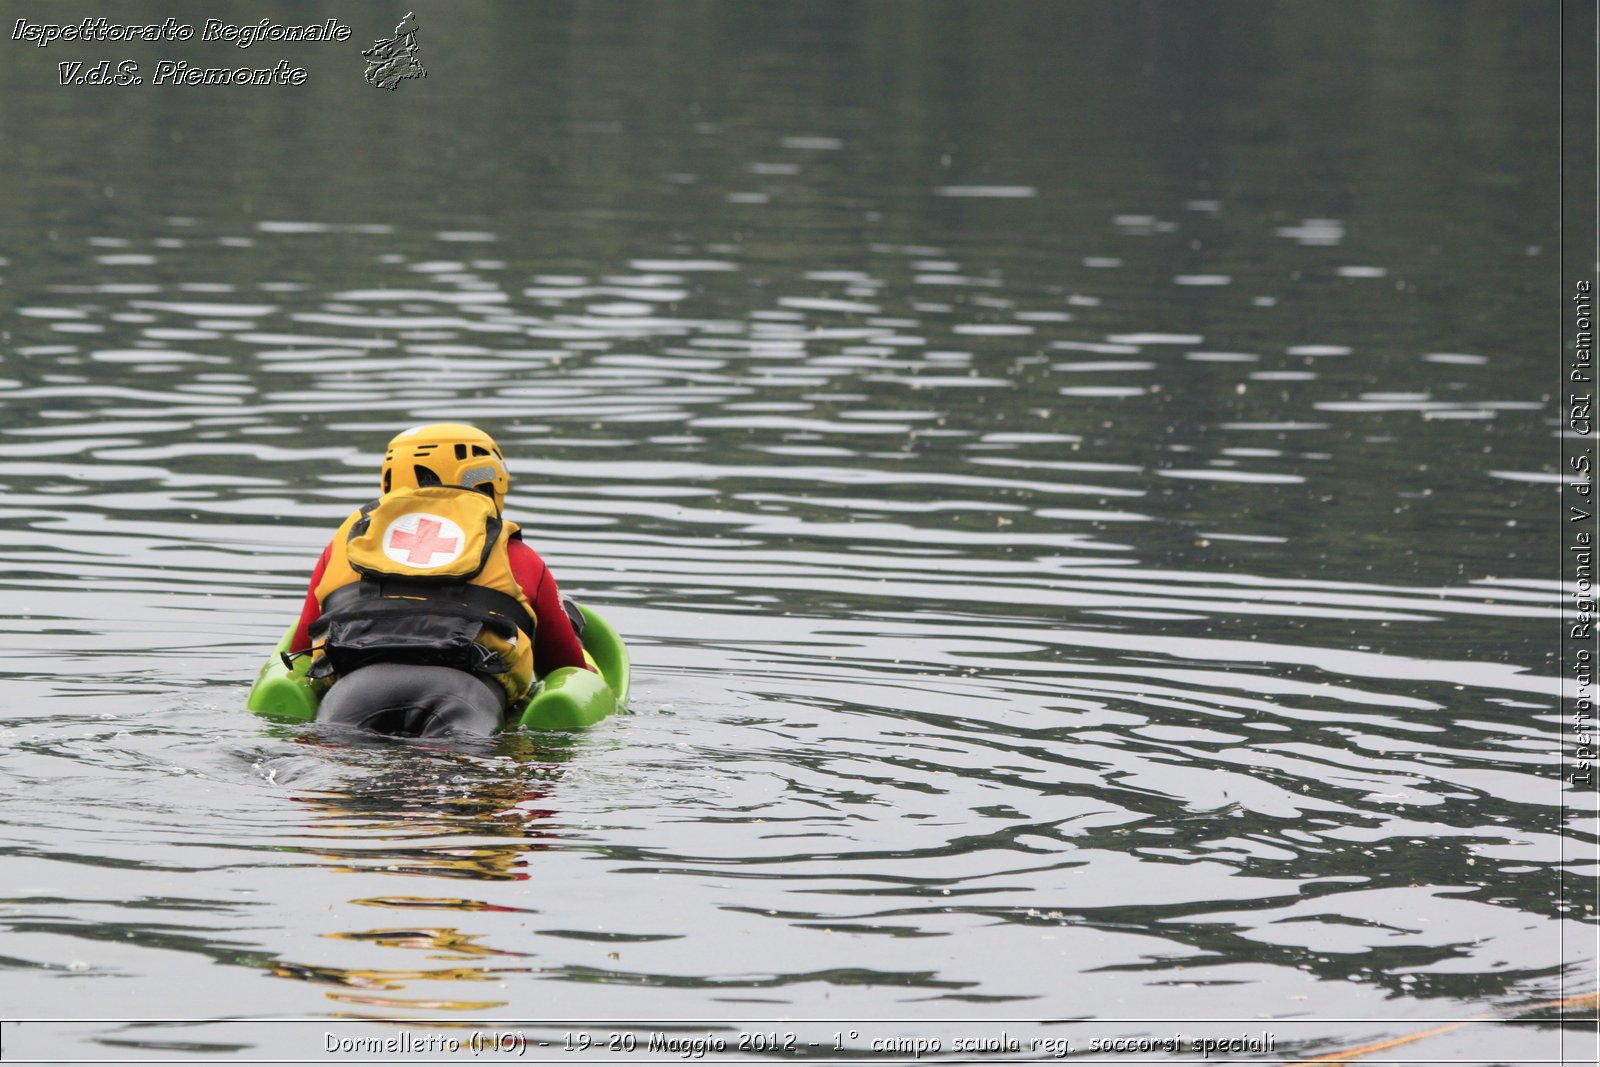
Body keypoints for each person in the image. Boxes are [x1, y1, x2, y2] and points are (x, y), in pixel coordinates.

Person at [288, 423, 593, 736]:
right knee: (454, 780)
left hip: (353, 694)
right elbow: (566, 667)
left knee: (336, 777)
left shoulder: (345, 544)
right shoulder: (518, 556)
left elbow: (301, 648)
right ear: (487, 482)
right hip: (464, 700)